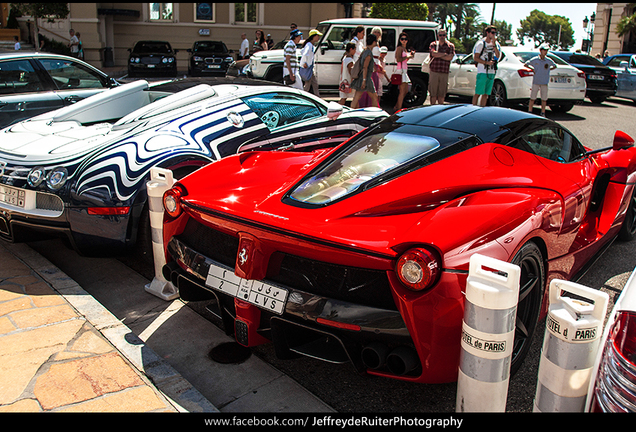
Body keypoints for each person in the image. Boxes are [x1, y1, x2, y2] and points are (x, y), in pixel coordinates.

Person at [472, 25, 501, 107]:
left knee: (486, 93)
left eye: (495, 33)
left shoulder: (495, 44)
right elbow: (476, 57)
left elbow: (498, 55)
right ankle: (473, 107)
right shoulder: (481, 44)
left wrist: (494, 44)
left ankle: (482, 108)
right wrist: (486, 62)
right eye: (492, 32)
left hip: (491, 71)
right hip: (482, 71)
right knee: (478, 92)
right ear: (487, 33)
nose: (494, 34)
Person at [525, 43, 557, 117]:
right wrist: (532, 69)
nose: (545, 52)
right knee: (532, 97)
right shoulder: (535, 59)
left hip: (544, 81)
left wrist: (548, 70)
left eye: (546, 50)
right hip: (536, 81)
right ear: (540, 51)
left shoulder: (548, 60)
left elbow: (554, 66)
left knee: (544, 98)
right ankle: (530, 111)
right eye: (544, 50)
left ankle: (543, 112)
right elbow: (526, 64)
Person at [351, 34, 379, 109]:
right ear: (374, 42)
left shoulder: (365, 50)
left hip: (362, 77)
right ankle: (376, 113)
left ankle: (351, 111)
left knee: (357, 97)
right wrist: (364, 80)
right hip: (365, 78)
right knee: (374, 96)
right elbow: (365, 67)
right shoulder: (369, 53)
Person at [427, 29, 455, 105]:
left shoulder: (450, 46)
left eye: (443, 35)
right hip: (434, 71)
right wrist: (445, 54)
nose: (442, 37)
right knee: (433, 93)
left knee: (442, 93)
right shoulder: (433, 44)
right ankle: (432, 108)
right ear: (438, 36)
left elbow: (450, 57)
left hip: (444, 72)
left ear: (446, 36)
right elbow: (433, 54)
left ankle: (439, 109)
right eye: (440, 35)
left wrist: (439, 55)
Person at [359, 27, 383, 108]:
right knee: (371, 91)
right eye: (375, 31)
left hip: (376, 66)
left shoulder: (376, 44)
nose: (377, 33)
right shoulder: (369, 47)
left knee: (375, 90)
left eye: (378, 32)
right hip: (372, 68)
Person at [393, 32, 415, 112]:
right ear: (400, 40)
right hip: (401, 70)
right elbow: (398, 59)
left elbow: (405, 59)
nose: (404, 41)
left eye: (405, 39)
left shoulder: (404, 49)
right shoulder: (399, 48)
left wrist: (409, 56)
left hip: (404, 70)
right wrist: (407, 56)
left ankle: (397, 106)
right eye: (402, 39)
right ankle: (398, 109)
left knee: (405, 91)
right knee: (402, 91)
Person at [300, 29, 322, 96]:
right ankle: (303, 96)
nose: (318, 38)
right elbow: (304, 54)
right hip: (308, 68)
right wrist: (305, 63)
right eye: (317, 36)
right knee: (307, 85)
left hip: (310, 68)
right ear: (313, 36)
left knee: (314, 84)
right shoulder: (309, 45)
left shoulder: (310, 45)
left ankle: (317, 96)